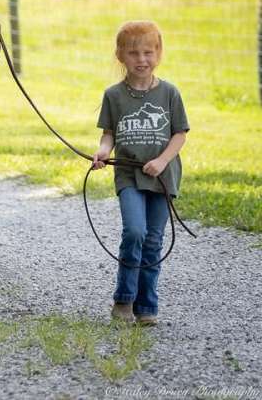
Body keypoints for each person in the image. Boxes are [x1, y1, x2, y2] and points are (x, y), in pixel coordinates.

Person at [92, 21, 189, 326]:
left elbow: (180, 135)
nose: (141, 59)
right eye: (133, 53)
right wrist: (104, 151)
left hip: (162, 178)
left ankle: (146, 305)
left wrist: (162, 161)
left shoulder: (170, 93)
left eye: (148, 52)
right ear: (120, 55)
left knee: (153, 241)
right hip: (129, 177)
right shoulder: (114, 95)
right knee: (134, 231)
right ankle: (123, 299)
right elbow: (109, 134)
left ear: (158, 54)